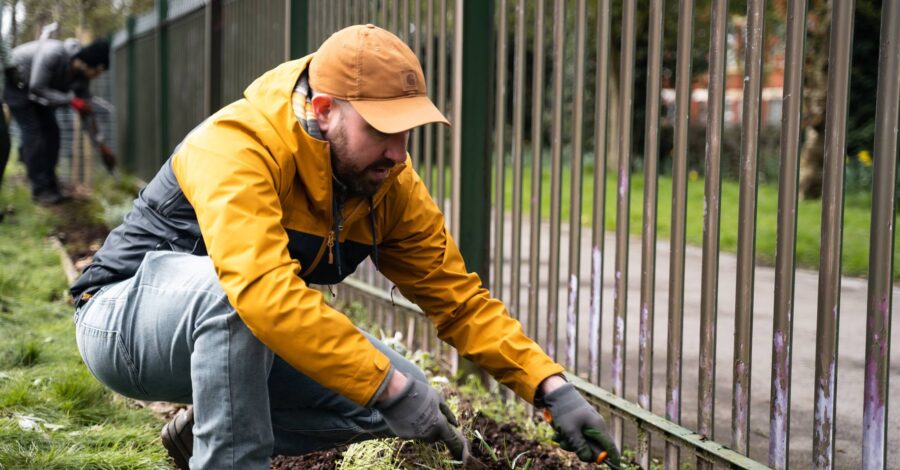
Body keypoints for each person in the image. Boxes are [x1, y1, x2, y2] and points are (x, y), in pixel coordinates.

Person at [69, 24, 619, 469]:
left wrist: (549, 387)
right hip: (122, 319)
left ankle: (202, 434)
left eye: (407, 133)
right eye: (382, 131)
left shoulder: (388, 184)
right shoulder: (237, 145)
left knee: (406, 396)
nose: (398, 154)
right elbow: (262, 293)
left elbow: (458, 301)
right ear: (326, 108)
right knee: (242, 302)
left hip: (237, 339)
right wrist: (386, 385)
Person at [4, 37, 116, 204]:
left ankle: (51, 186)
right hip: (17, 84)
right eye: (98, 71)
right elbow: (37, 86)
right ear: (90, 63)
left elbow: (86, 112)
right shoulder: (54, 53)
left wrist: (101, 145)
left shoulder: (81, 78)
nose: (97, 76)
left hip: (40, 94)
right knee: (34, 135)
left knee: (52, 134)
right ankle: (40, 190)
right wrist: (71, 101)